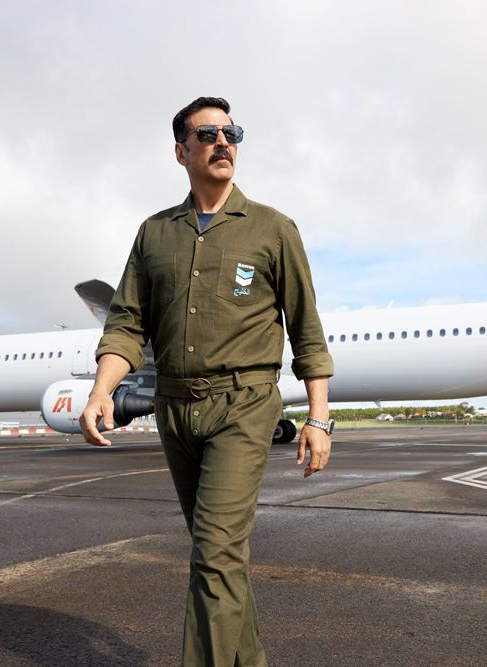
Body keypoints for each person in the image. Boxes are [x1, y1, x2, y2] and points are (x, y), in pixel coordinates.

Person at [79, 96, 334, 667]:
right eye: (208, 134)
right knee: (218, 555)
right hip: (174, 409)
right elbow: (127, 324)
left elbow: (306, 330)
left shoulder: (273, 229)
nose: (223, 142)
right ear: (181, 152)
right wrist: (101, 391)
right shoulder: (154, 234)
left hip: (243, 404)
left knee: (214, 555)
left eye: (231, 133)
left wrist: (318, 420)